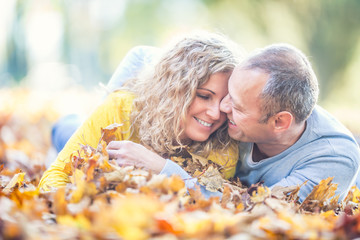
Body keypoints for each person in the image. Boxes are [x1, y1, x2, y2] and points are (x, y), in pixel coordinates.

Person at [39, 31, 243, 195]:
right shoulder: (122, 107)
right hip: (81, 127)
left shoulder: (224, 145)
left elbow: (217, 201)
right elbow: (55, 175)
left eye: (225, 101)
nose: (216, 114)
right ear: (174, 91)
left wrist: (162, 168)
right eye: (204, 96)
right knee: (66, 129)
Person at [219, 43, 360, 202]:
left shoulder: (334, 158)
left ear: (279, 122)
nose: (222, 106)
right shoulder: (238, 111)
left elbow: (257, 207)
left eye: (237, 107)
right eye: (228, 93)